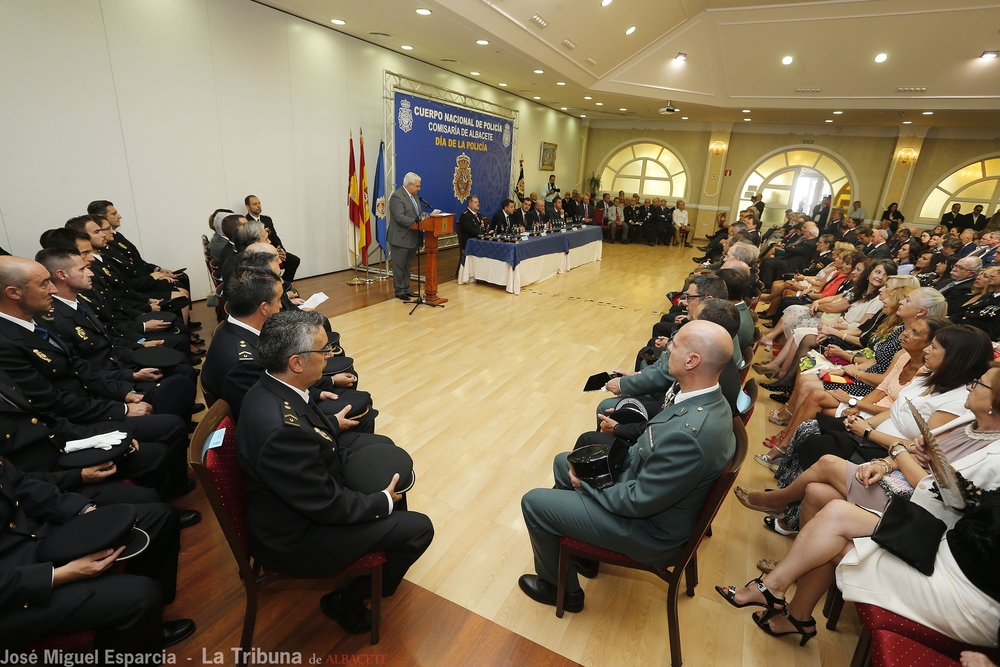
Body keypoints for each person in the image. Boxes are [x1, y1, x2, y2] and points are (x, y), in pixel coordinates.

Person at [236, 310, 434, 633]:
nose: (329, 356)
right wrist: (381, 502)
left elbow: (303, 436)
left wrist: (330, 423)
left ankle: (379, 556)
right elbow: (327, 504)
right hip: (300, 537)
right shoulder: (282, 432)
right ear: (296, 362)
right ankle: (348, 601)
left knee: (384, 459)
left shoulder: (271, 388)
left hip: (301, 503)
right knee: (420, 529)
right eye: (323, 350)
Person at [518, 320, 736, 612]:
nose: (668, 347)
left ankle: (561, 589)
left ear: (692, 360)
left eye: (676, 344)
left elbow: (636, 502)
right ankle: (581, 552)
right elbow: (649, 457)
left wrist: (587, 484)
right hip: (647, 498)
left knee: (534, 502)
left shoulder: (690, 434)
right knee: (564, 462)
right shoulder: (706, 401)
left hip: (648, 530)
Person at [245, 195, 300, 283]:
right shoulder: (246, 222)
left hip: (274, 250)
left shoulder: (267, 219)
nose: (258, 206)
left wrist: (281, 250)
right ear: (248, 207)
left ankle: (285, 284)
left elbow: (274, 237)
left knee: (294, 260)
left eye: (259, 203)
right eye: (255, 204)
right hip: (261, 255)